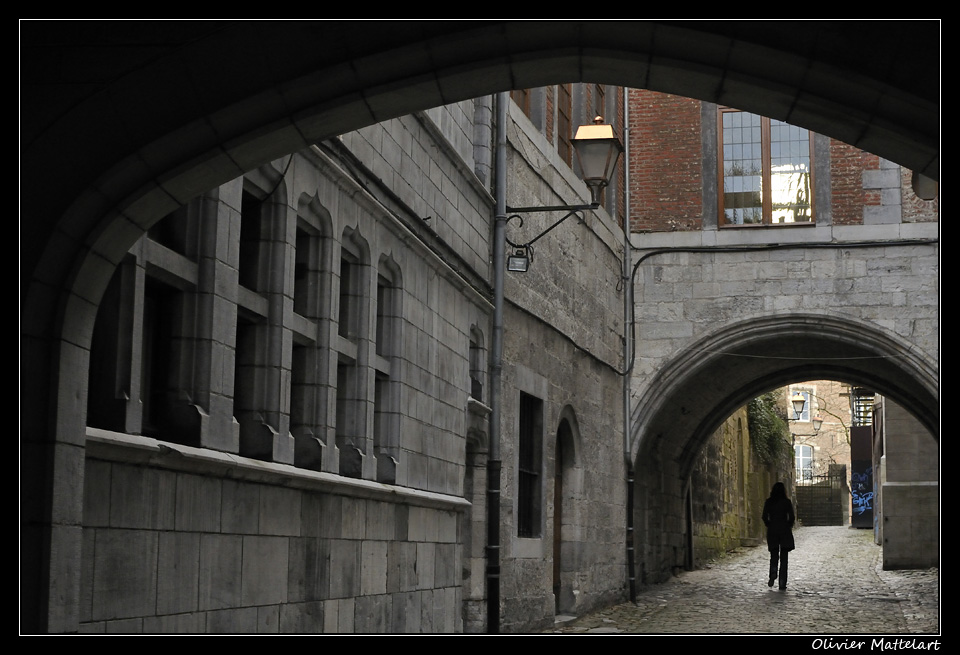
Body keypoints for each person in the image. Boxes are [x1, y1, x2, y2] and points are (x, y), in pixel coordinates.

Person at [761, 482, 795, 590]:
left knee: (774, 555)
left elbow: (764, 516)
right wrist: (788, 525)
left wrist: (769, 524)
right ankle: (782, 582)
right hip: (784, 529)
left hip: (773, 530)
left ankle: (773, 572)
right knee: (784, 558)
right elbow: (792, 516)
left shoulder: (769, 502)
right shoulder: (786, 502)